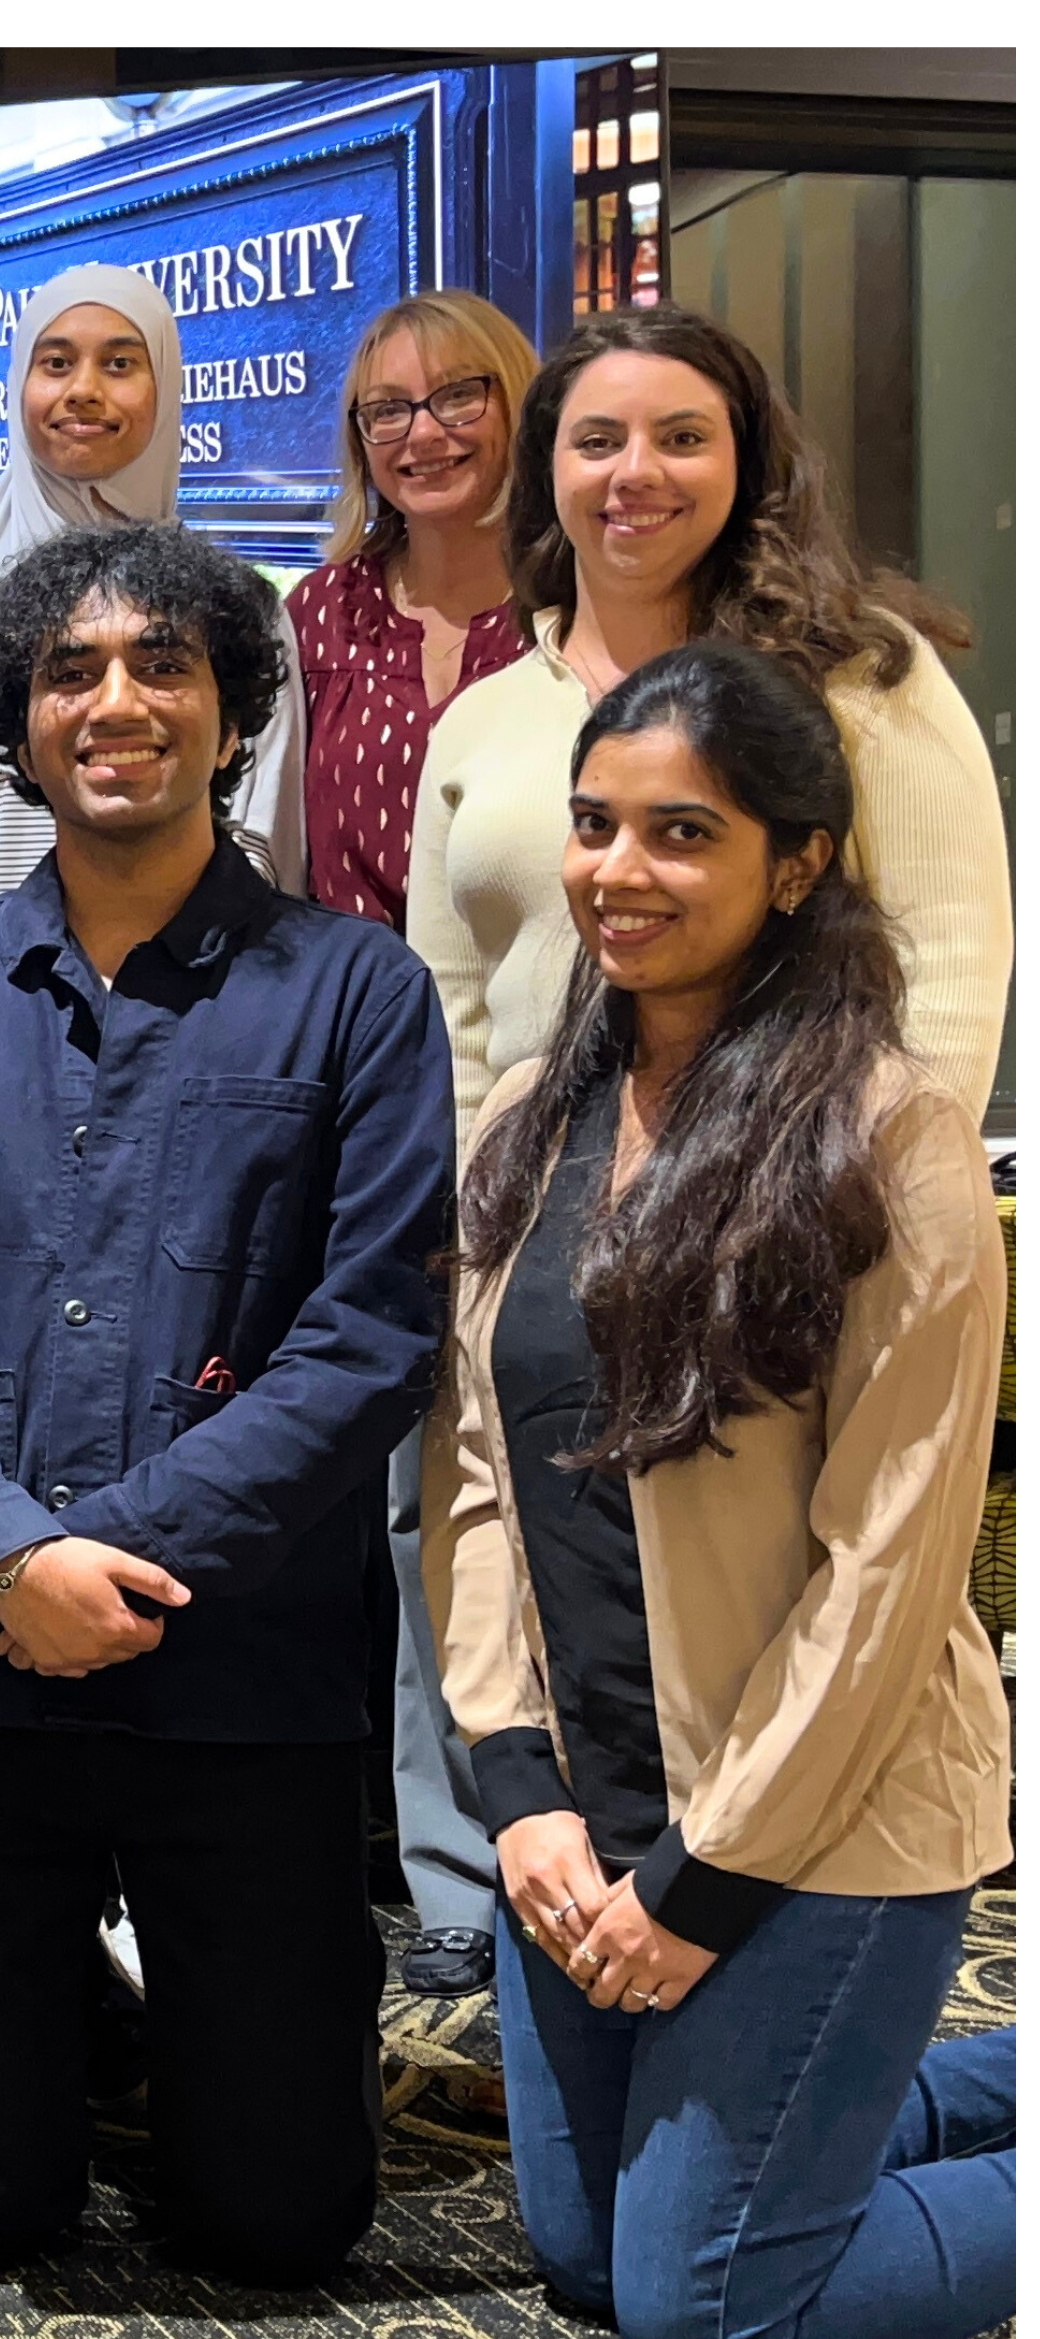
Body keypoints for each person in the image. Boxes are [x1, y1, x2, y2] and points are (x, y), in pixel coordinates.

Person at [0, 522, 452, 2283]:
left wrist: (110, 1559)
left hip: (237, 1669)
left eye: (160, 665)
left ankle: (194, 2009)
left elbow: (367, 1335)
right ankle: (58, 1999)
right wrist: (2, 1553)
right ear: (14, 728)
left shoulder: (356, 992)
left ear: (232, 713)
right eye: (67, 673)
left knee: (276, 2219)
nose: (112, 702)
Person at [432, 641, 1014, 2339]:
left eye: (679, 832)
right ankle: (854, 2117)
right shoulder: (537, 1116)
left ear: (795, 861)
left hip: (819, 1817)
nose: (616, 872)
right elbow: (473, 1465)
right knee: (583, 2247)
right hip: (590, 1795)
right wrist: (513, 1779)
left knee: (696, 2302)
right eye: (592, 823)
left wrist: (703, 1881)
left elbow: (884, 1570)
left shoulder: (885, 1139)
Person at [407, 305, 1010, 1138]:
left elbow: (948, 959)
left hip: (790, 1202)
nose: (634, 471)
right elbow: (457, 1024)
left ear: (744, 464)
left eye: (682, 439)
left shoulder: (859, 674)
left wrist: (881, 1188)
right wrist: (483, 1224)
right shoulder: (476, 721)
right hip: (540, 1215)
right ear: (546, 467)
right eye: (596, 441)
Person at [284, 289, 539, 2004]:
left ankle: (583, 1818)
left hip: (571, 1098)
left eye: (457, 397)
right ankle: (447, 1859)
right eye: (385, 407)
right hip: (378, 1104)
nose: (421, 430)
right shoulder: (314, 614)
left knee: (568, 1484)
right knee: (408, 1502)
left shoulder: (586, 613)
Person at [0, 260, 303, 921]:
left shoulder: (235, 611)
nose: (82, 390)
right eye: (54, 363)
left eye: (119, 364)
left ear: (165, 392)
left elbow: (260, 830)